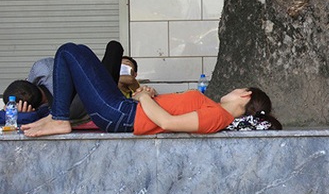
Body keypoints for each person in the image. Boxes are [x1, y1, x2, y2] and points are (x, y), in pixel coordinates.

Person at [21, 43, 281, 137]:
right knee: (80, 51)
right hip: (125, 109)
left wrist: (145, 97)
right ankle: (57, 115)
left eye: (239, 88)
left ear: (245, 95)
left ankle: (59, 118)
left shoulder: (218, 116)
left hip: (120, 114)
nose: (233, 89)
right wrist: (149, 95)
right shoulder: (214, 109)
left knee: (68, 52)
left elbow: (168, 122)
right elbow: (167, 113)